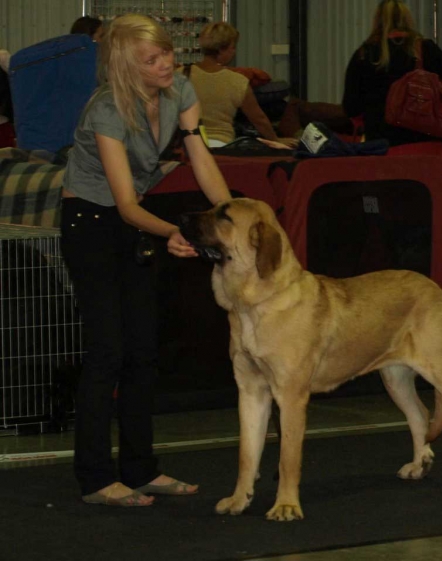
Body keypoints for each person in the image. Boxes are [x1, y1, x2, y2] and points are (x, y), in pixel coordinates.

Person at [60, 14, 231, 507]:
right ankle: (95, 477)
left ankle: (140, 469)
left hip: (130, 221)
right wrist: (180, 233)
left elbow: (199, 155)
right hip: (90, 221)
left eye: (166, 53)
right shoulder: (107, 109)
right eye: (152, 60)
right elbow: (126, 205)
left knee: (143, 351)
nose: (166, 64)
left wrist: (229, 216)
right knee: (107, 352)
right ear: (127, 68)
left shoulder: (178, 89)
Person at [341, 0, 442, 147]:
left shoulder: (364, 54)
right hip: (425, 143)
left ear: (377, 21)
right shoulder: (427, 50)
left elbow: (350, 107)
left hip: (379, 145)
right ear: (408, 19)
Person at [179, 22, 297, 148]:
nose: (234, 52)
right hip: (221, 146)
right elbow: (259, 119)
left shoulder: (180, 74)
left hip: (188, 144)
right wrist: (276, 139)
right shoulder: (237, 81)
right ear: (221, 50)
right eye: (233, 48)